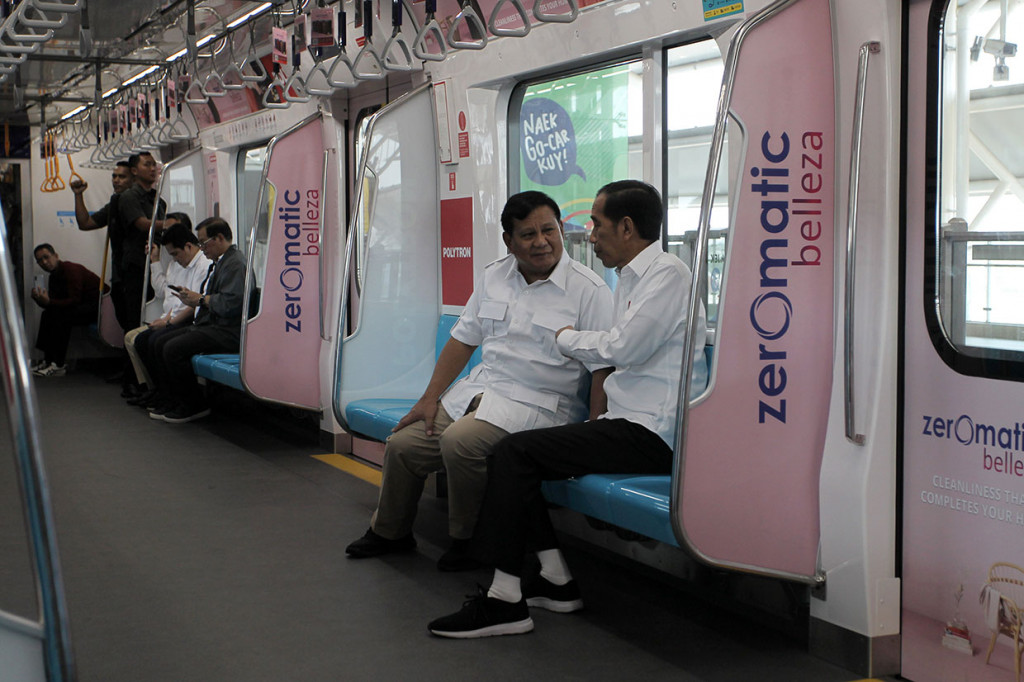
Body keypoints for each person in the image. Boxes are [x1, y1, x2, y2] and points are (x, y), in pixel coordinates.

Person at [428, 180, 707, 638]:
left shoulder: (669, 275)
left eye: (597, 225)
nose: (590, 236)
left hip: (654, 432)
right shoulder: (632, 279)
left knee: (514, 454)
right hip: (624, 422)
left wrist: (565, 338)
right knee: (516, 456)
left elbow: (624, 348)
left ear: (627, 227)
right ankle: (556, 580)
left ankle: (505, 600)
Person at [345, 191, 613, 571]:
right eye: (528, 234)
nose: (541, 242)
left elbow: (603, 368)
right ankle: (390, 531)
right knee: (403, 445)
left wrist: (595, 432)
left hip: (540, 405)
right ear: (509, 241)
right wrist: (428, 399)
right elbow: (462, 340)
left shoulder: (589, 290)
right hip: (481, 391)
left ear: (561, 230)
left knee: (461, 443)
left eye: (549, 230)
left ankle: (472, 540)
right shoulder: (494, 276)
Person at [148, 217, 246, 424]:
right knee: (160, 342)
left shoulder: (235, 265)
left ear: (219, 238)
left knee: (172, 348)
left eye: (204, 242)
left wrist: (200, 299)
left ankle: (194, 404)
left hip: (227, 330)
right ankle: (175, 399)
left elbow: (231, 304)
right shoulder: (223, 262)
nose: (201, 248)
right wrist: (195, 299)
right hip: (214, 325)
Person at [124, 216, 211, 408]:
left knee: (157, 341)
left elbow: (194, 304)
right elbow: (166, 293)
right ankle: (160, 391)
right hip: (174, 317)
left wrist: (169, 322)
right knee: (142, 340)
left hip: (188, 319)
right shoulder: (178, 264)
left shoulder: (203, 265)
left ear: (188, 246)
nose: (175, 259)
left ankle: (175, 396)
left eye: (176, 254)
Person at [29, 244, 104, 377]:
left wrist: (49, 302)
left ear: (56, 256)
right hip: (81, 307)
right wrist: (40, 300)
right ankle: (47, 361)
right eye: (40, 260)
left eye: (46, 257)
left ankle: (58, 364)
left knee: (62, 316)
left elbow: (74, 300)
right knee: (47, 314)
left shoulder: (70, 270)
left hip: (100, 308)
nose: (44, 262)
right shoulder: (54, 276)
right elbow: (54, 304)